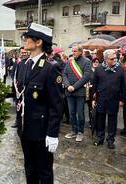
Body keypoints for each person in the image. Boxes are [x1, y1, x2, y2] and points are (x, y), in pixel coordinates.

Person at [14, 23, 63, 184]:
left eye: (27, 37)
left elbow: (56, 105)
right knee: (29, 168)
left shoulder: (50, 69)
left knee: (44, 171)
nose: (25, 39)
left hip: (41, 131)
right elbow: (18, 93)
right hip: (25, 127)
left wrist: (52, 133)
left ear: (38, 42)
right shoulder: (22, 65)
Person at [92, 50, 126, 149]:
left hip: (114, 99)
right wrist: (93, 99)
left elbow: (123, 86)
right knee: (100, 119)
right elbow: (95, 84)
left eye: (115, 58)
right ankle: (100, 138)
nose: (114, 60)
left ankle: (110, 140)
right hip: (101, 98)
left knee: (112, 120)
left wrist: (122, 100)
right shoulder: (99, 69)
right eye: (112, 59)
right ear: (106, 59)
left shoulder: (120, 69)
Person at [62, 45, 91, 142]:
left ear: (80, 52)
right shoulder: (70, 61)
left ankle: (80, 132)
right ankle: (73, 130)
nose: (73, 52)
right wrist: (67, 85)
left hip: (79, 92)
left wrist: (74, 87)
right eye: (72, 51)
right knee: (71, 113)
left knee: (80, 113)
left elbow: (86, 77)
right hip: (69, 91)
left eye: (75, 51)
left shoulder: (87, 62)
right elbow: (64, 74)